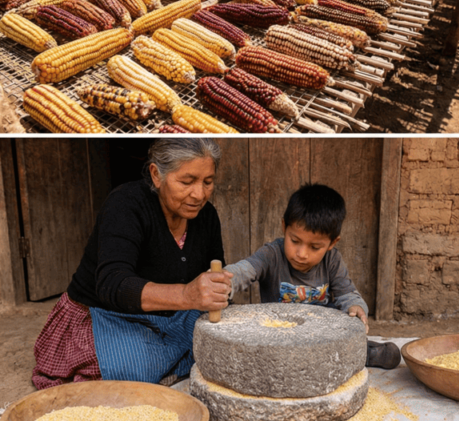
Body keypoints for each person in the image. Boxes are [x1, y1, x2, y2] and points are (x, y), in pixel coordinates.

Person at [33, 139, 231, 389]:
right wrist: (186, 294)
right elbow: (113, 285)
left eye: (208, 182)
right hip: (107, 315)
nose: (199, 194)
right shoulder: (126, 204)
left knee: (224, 347)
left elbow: (213, 276)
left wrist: (216, 290)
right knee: (134, 370)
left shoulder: (206, 216)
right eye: (186, 182)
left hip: (174, 314)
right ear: (156, 175)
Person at [223, 184, 401, 369]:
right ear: (284, 227)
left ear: (332, 243)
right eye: (295, 241)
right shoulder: (271, 254)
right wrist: (225, 280)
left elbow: (347, 294)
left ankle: (364, 354)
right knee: (259, 350)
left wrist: (356, 307)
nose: (302, 254)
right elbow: (244, 270)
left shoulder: (332, 260)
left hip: (321, 337)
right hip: (278, 337)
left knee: (343, 340)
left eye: (315, 247)